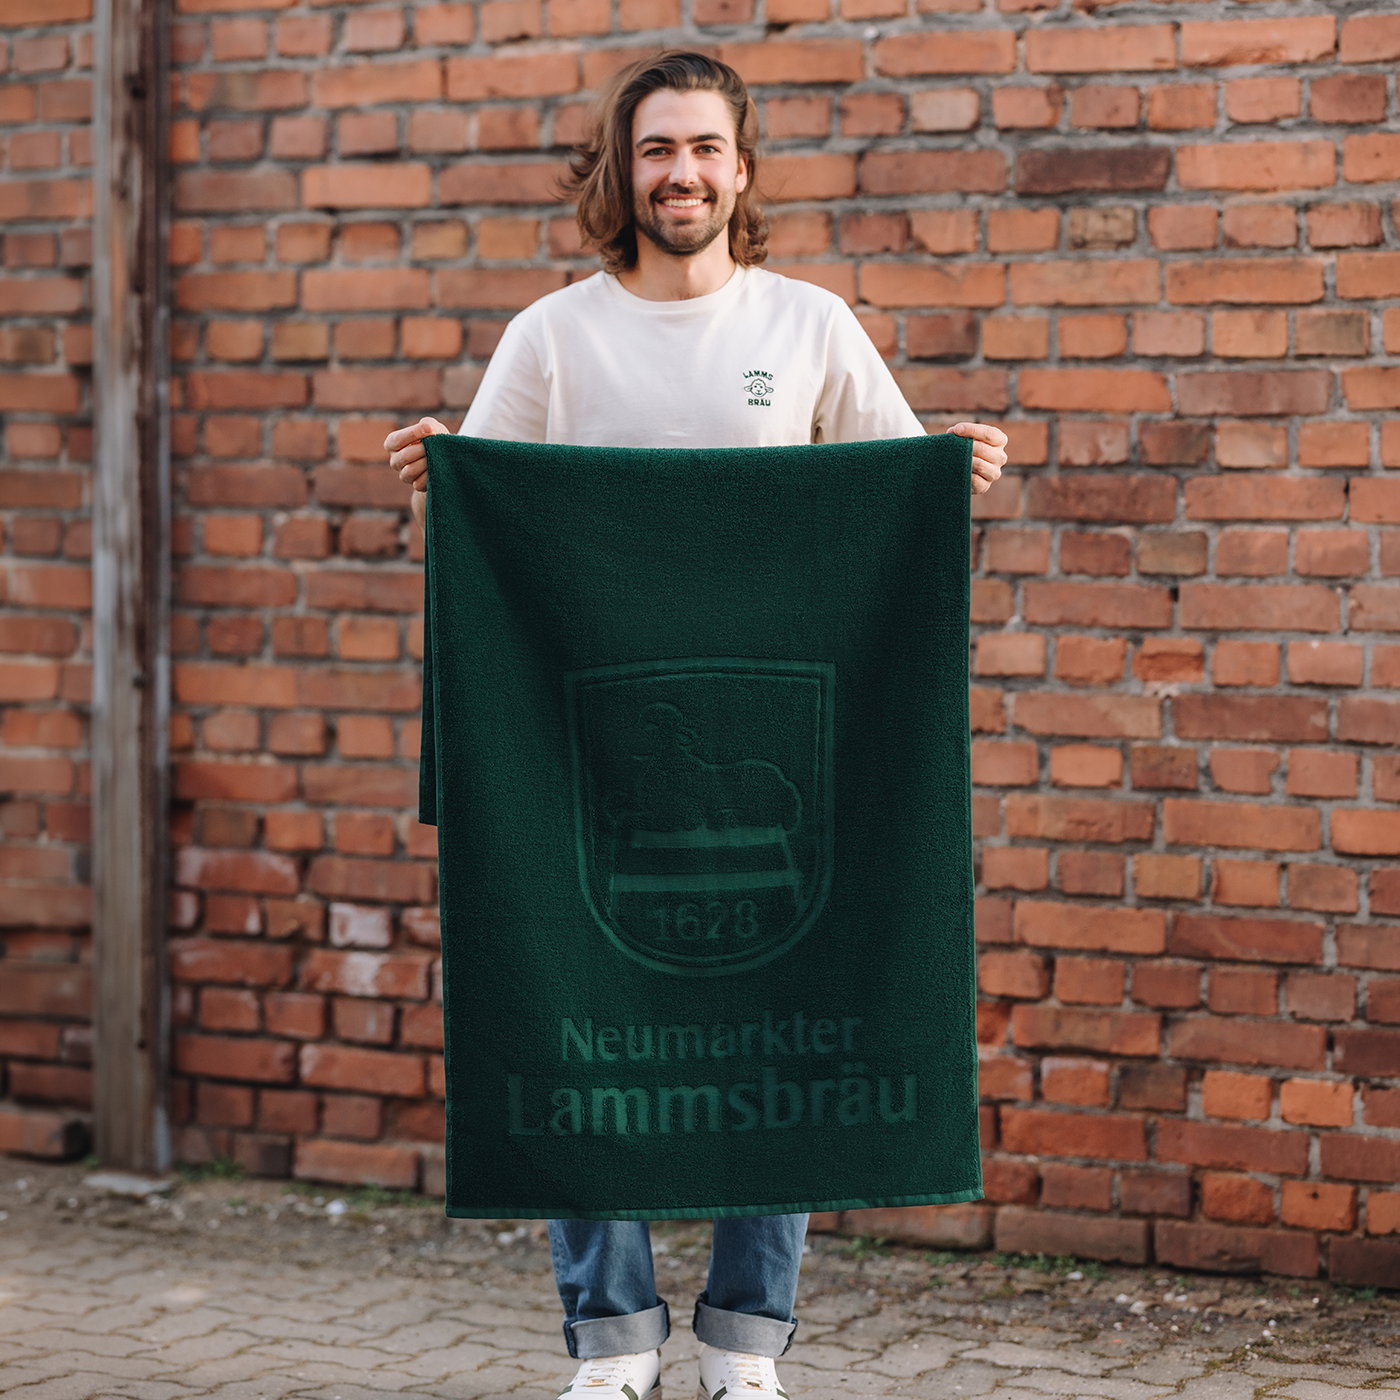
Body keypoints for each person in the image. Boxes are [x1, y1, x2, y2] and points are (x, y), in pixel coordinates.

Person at [385, 50, 1006, 1400]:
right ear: (624, 170)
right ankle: (610, 1347)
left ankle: (743, 1343)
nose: (683, 173)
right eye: (658, 148)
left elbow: (894, 504)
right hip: (580, 763)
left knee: (783, 1013)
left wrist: (955, 468)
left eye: (707, 148)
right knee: (572, 1020)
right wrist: (441, 484)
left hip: (779, 749)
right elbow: (481, 532)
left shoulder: (809, 326)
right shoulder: (554, 336)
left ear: (743, 168)